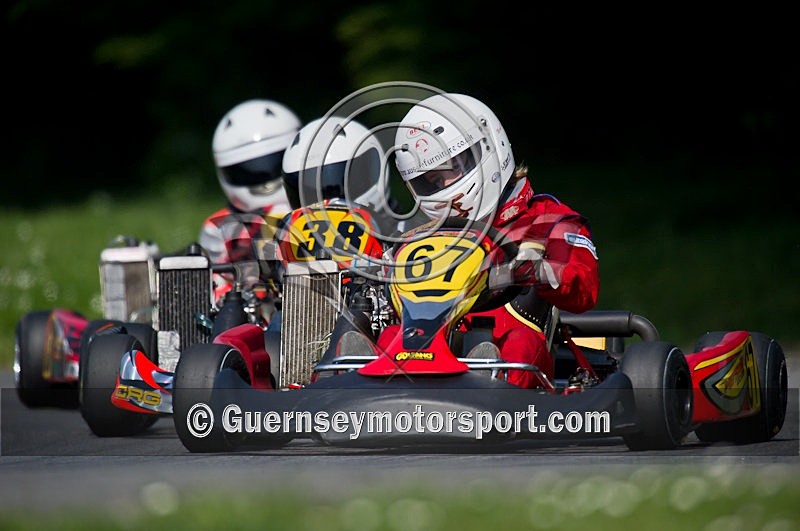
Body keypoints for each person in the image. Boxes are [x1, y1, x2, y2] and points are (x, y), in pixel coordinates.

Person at [382, 92, 600, 389]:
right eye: (431, 181)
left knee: (516, 342)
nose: (446, 186)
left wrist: (536, 270)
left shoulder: (546, 220)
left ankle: (488, 384)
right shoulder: (423, 237)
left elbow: (583, 290)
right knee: (388, 335)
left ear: (490, 145)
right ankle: (346, 384)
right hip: (429, 351)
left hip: (515, 356)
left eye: (453, 168)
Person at [199, 99, 302, 299]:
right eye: (249, 172)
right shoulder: (218, 228)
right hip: (249, 311)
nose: (264, 181)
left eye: (273, 165)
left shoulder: (319, 213)